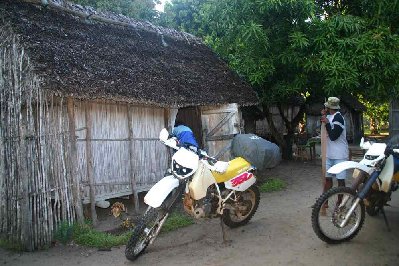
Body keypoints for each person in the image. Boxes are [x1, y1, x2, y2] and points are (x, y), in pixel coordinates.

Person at [320, 97, 349, 195]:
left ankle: (339, 204)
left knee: (340, 181)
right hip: (329, 154)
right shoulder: (329, 117)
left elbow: (333, 136)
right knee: (327, 179)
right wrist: (324, 117)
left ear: (329, 107)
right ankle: (324, 202)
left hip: (339, 155)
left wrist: (327, 124)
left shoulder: (339, 118)